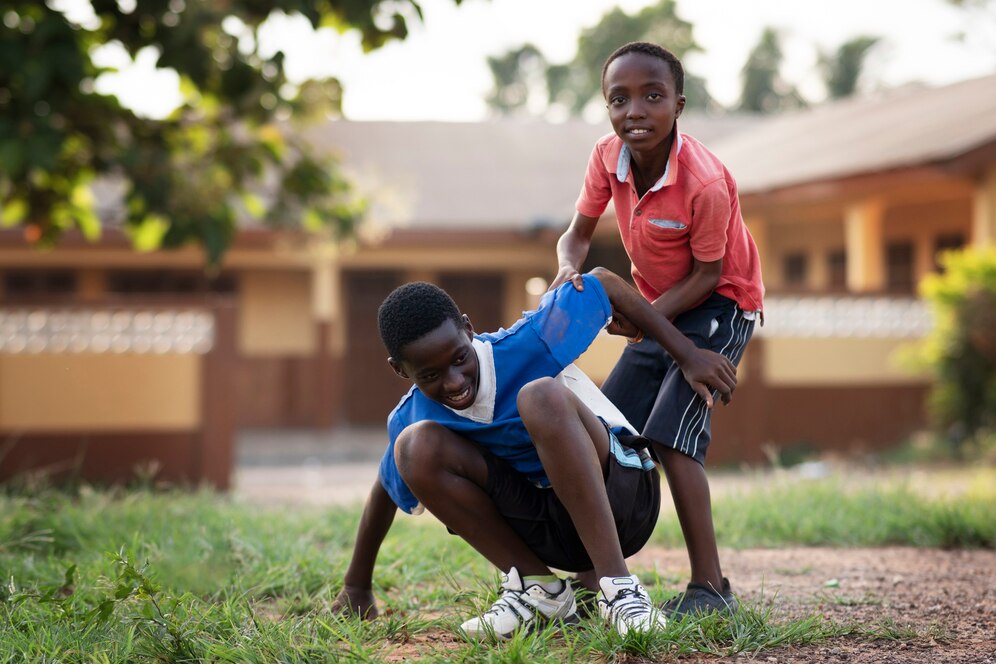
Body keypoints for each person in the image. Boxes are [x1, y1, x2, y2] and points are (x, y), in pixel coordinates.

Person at [331, 266, 738, 639]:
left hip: (624, 499)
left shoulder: (531, 341)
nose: (454, 382)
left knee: (540, 394)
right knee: (413, 447)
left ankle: (619, 589)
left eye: (459, 359)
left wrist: (687, 356)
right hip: (548, 530)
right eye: (431, 375)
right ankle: (539, 592)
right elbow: (386, 488)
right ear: (401, 371)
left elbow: (605, 283)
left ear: (469, 330)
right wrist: (356, 585)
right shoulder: (413, 414)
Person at [550, 41, 765, 618]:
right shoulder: (606, 157)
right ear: (607, 108)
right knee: (610, 430)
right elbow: (576, 233)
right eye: (619, 99)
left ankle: (711, 588)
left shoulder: (705, 182)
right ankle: (598, 578)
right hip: (658, 307)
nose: (635, 111)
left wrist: (650, 322)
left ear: (679, 104)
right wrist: (568, 267)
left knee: (672, 434)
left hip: (719, 304)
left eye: (652, 96)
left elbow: (708, 274)